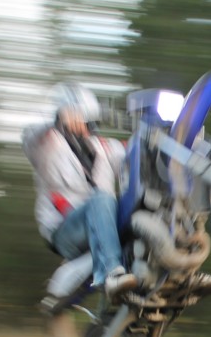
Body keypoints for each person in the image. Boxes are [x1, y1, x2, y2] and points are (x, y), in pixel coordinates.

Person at [23, 83, 138, 307]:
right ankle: (112, 274)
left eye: (89, 123)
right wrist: (57, 120)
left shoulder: (103, 147)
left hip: (103, 225)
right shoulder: (46, 145)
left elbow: (134, 153)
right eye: (80, 121)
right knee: (102, 198)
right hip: (65, 231)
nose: (84, 128)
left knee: (138, 206)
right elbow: (29, 138)